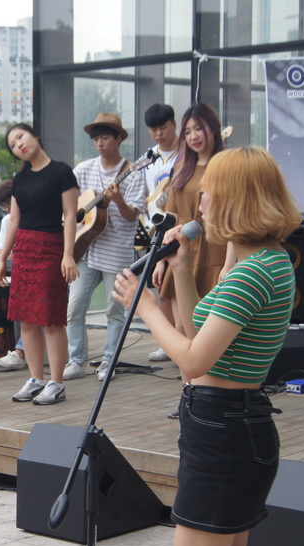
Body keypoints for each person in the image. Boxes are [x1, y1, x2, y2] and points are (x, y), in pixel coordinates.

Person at [113, 146, 300, 546]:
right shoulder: (261, 261)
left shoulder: (252, 272)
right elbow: (200, 340)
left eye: (210, 192)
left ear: (237, 198)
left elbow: (193, 360)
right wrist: (186, 271)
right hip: (229, 425)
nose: (202, 202)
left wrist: (147, 309)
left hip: (224, 433)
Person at [154, 103, 232, 417]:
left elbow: (231, 221)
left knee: (209, 333)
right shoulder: (182, 168)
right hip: (182, 255)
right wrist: (161, 259)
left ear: (212, 128)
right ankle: (190, 395)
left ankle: (212, 396)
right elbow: (171, 217)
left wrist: (229, 264)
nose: (194, 136)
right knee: (182, 331)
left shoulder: (225, 165)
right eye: (188, 131)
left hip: (216, 251)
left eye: (198, 128)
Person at [0, 123, 79, 404]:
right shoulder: (20, 180)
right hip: (25, 252)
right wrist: (3, 258)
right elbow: (14, 221)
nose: (19, 144)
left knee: (51, 319)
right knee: (27, 320)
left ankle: (56, 382)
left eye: (20, 136)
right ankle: (35, 379)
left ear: (34, 135)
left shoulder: (61, 172)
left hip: (51, 247)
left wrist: (68, 254)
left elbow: (70, 216)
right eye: (12, 144)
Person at [64, 112, 145, 381]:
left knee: (114, 310)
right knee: (74, 307)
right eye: (96, 138)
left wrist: (118, 200)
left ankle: (109, 361)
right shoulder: (83, 169)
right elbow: (70, 207)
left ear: (119, 138)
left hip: (116, 252)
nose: (99, 143)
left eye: (105, 137)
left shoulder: (133, 172)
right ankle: (76, 360)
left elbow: (133, 215)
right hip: (84, 250)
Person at [142, 103, 181, 362]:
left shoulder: (186, 154)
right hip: (156, 227)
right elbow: (147, 195)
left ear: (174, 124)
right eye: (153, 130)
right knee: (161, 288)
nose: (159, 134)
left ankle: (183, 342)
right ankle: (169, 343)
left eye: (163, 128)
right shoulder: (148, 157)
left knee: (179, 288)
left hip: (179, 226)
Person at [0, 180, 29, 370]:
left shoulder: (33, 216)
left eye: (8, 203)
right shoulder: (7, 220)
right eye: (4, 205)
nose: (7, 209)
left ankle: (20, 352)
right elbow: (2, 252)